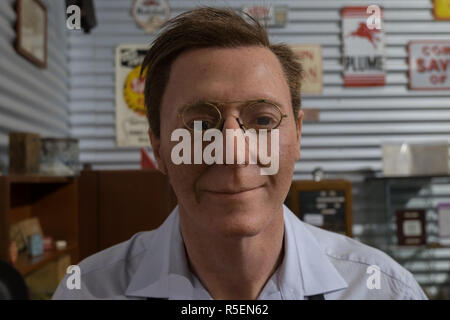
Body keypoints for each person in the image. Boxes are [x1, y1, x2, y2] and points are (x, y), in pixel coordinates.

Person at [53, 7, 427, 300]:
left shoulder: (387, 290)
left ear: (297, 135)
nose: (234, 153)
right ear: (158, 147)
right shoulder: (87, 291)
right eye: (199, 124)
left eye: (262, 119)